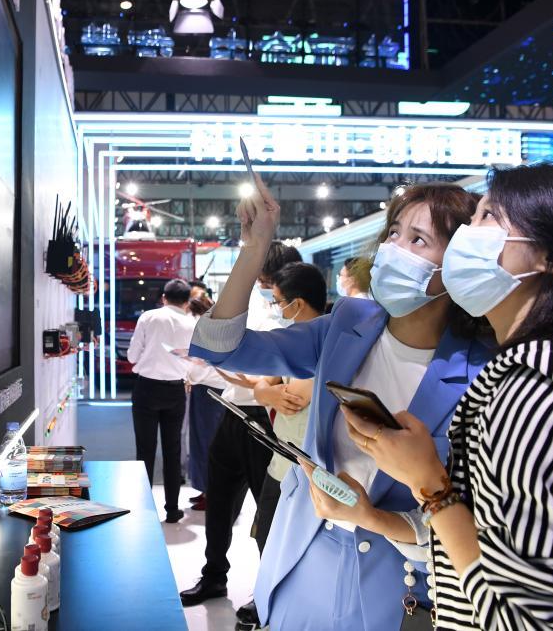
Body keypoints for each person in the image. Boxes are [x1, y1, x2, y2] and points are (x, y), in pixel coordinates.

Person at [347, 163, 553, 629]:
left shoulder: (533, 403)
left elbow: (526, 621)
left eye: (487, 216)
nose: (465, 236)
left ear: (548, 257)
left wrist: (430, 486)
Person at [189, 177, 492, 630]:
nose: (395, 249)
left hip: (400, 585)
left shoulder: (482, 368)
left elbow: (475, 517)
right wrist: (253, 251)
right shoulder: (349, 322)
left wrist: (375, 516)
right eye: (394, 232)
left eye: (418, 240)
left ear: (459, 262)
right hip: (300, 555)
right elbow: (221, 348)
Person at [179, 241, 301, 615]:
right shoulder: (251, 304)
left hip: (265, 421)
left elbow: (269, 369)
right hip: (232, 411)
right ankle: (214, 575)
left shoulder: (287, 313)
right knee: (218, 502)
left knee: (269, 512)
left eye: (259, 272)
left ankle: (268, 592)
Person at [250, 261, 326, 555]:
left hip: (307, 470)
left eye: (278, 301)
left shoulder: (325, 342)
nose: (276, 308)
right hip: (279, 462)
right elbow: (261, 387)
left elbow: (292, 399)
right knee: (265, 540)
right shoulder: (291, 340)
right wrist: (266, 392)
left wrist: (267, 391)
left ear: (298, 304)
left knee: (288, 550)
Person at [126, 278, 197, 523]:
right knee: (173, 450)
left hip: (146, 388)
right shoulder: (192, 324)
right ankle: (172, 510)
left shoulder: (149, 317)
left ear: (163, 298)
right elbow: (194, 361)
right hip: (176, 391)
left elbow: (132, 356)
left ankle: (144, 509)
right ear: (187, 301)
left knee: (144, 450)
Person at [184, 287, 228, 510]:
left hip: (209, 390)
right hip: (210, 389)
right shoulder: (215, 327)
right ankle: (206, 490)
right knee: (203, 441)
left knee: (207, 442)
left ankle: (212, 493)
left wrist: (189, 375)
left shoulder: (205, 330)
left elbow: (202, 364)